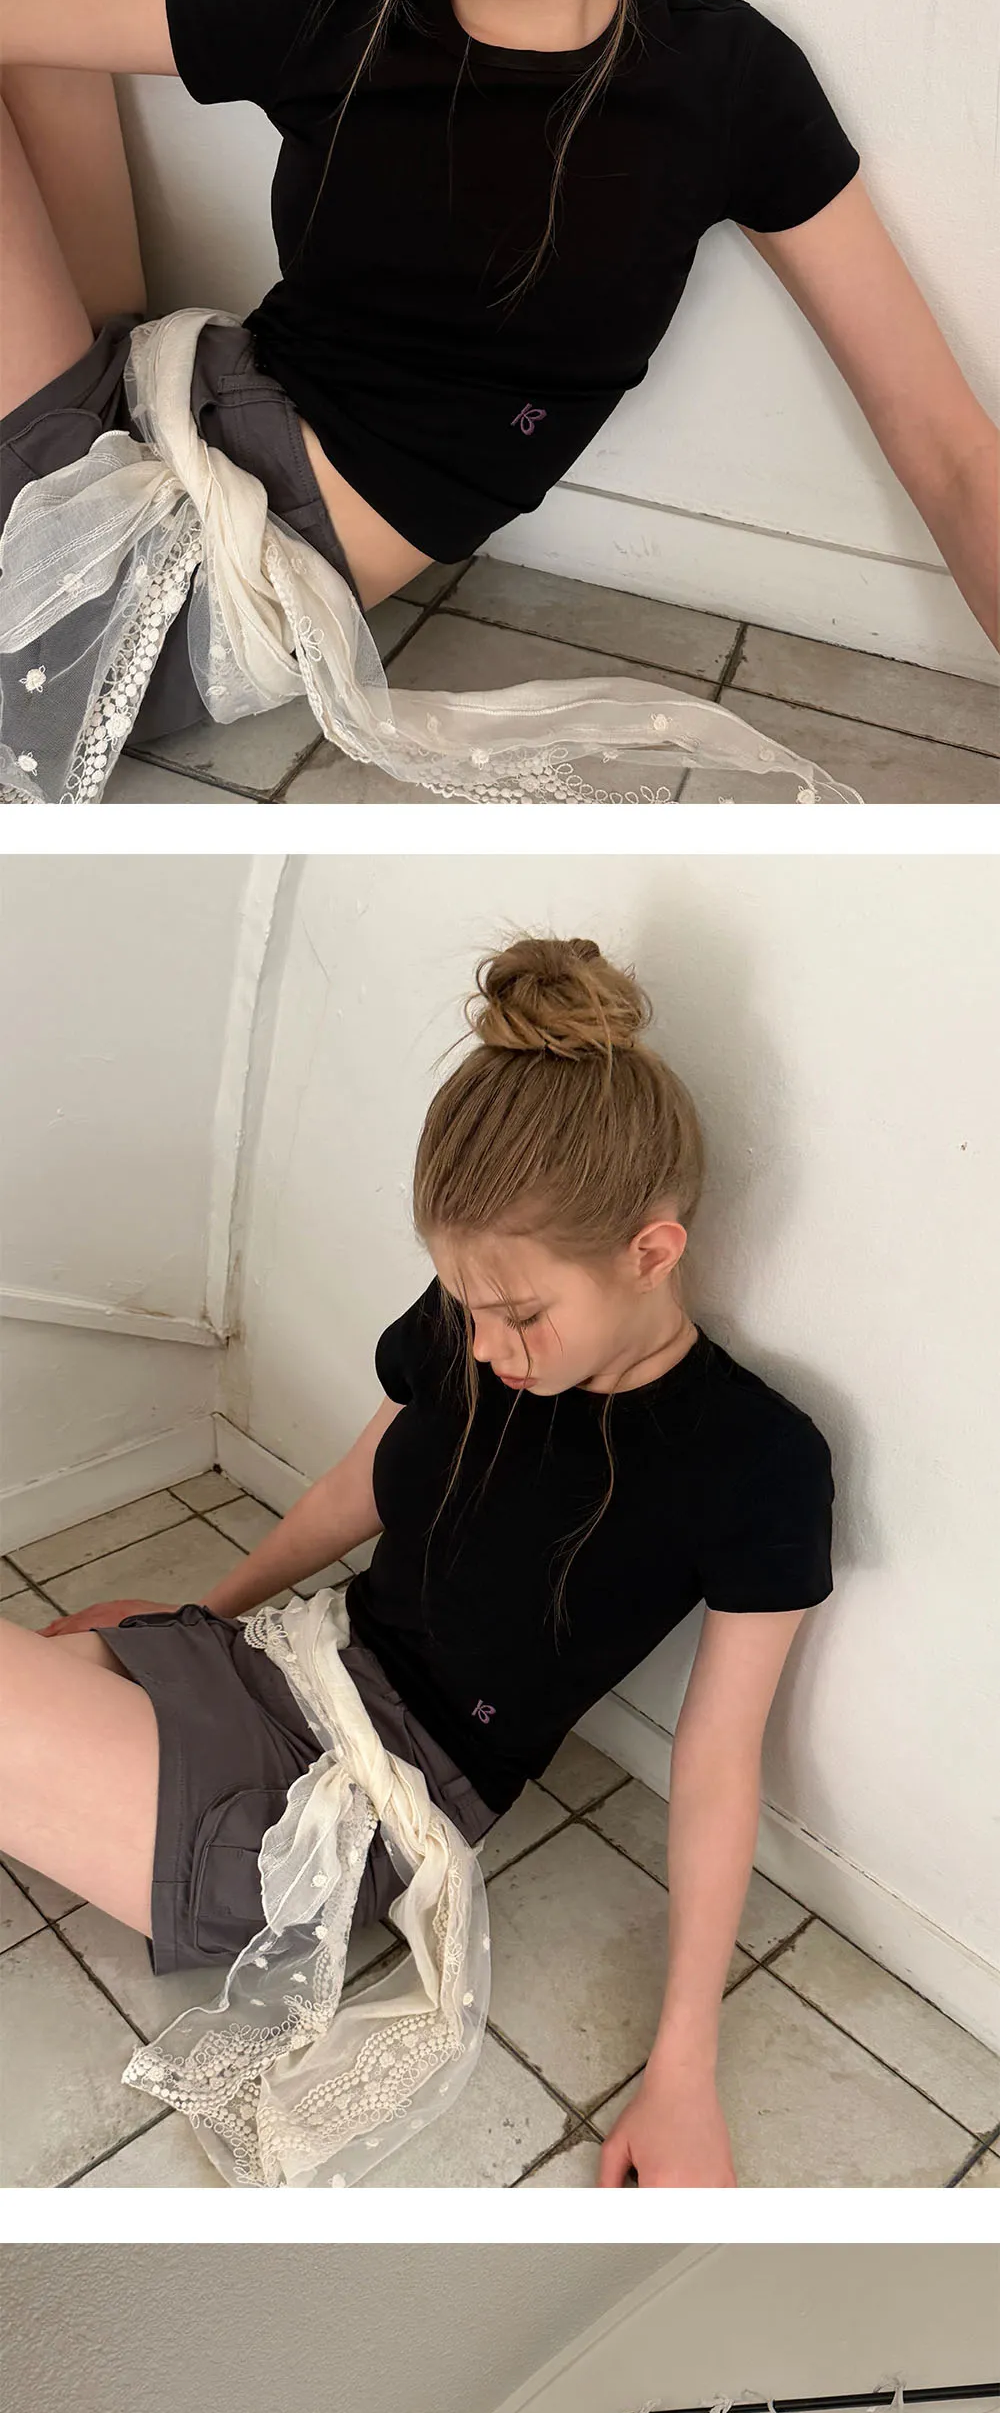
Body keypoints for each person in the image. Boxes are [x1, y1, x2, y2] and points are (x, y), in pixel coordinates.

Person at [1, 0, 995, 794]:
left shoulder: (723, 83)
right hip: (151, 403)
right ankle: (70, 420)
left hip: (213, 580)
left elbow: (946, 443)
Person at [0, 934, 835, 2190]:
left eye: (521, 1314)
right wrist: (197, 1625)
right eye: (464, 1301)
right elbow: (353, 1491)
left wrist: (681, 2070)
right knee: (60, 1656)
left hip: (365, 1806)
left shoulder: (754, 1461)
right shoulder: (467, 1322)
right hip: (294, 1668)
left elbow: (717, 1769)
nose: (485, 1344)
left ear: (652, 1253)